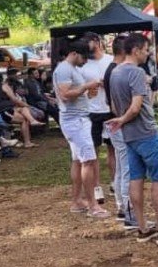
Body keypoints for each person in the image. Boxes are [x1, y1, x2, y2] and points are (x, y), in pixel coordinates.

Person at [107, 33, 158, 245]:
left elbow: (115, 104)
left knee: (136, 178)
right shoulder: (135, 72)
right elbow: (135, 107)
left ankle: (143, 228)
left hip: (129, 135)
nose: (148, 54)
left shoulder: (115, 72)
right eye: (146, 50)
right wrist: (123, 119)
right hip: (146, 132)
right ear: (135, 50)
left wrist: (121, 121)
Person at [53, 40, 109, 218]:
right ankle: (93, 206)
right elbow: (65, 95)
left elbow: (76, 92)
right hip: (75, 121)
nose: (86, 61)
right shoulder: (64, 69)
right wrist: (85, 86)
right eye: (84, 57)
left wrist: (88, 90)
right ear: (75, 53)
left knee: (78, 161)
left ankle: (77, 201)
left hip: (78, 119)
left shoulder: (73, 69)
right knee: (89, 161)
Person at [80, 32, 114, 206]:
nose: (85, 45)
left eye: (88, 42)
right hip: (91, 112)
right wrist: (88, 88)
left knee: (112, 149)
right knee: (93, 151)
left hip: (109, 110)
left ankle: (115, 183)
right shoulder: (83, 65)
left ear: (97, 42)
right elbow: (78, 89)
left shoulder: (110, 60)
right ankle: (97, 187)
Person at [103, 35, 133, 225]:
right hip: (119, 123)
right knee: (126, 166)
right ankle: (126, 207)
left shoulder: (111, 70)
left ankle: (123, 206)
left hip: (115, 123)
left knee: (122, 166)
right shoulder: (116, 71)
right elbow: (114, 103)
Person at [0, 70, 41, 148]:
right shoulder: (4, 86)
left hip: (5, 108)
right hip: (2, 110)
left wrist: (25, 105)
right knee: (23, 119)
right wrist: (28, 105)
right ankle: (27, 142)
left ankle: (32, 122)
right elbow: (14, 99)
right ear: (1, 78)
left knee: (23, 110)